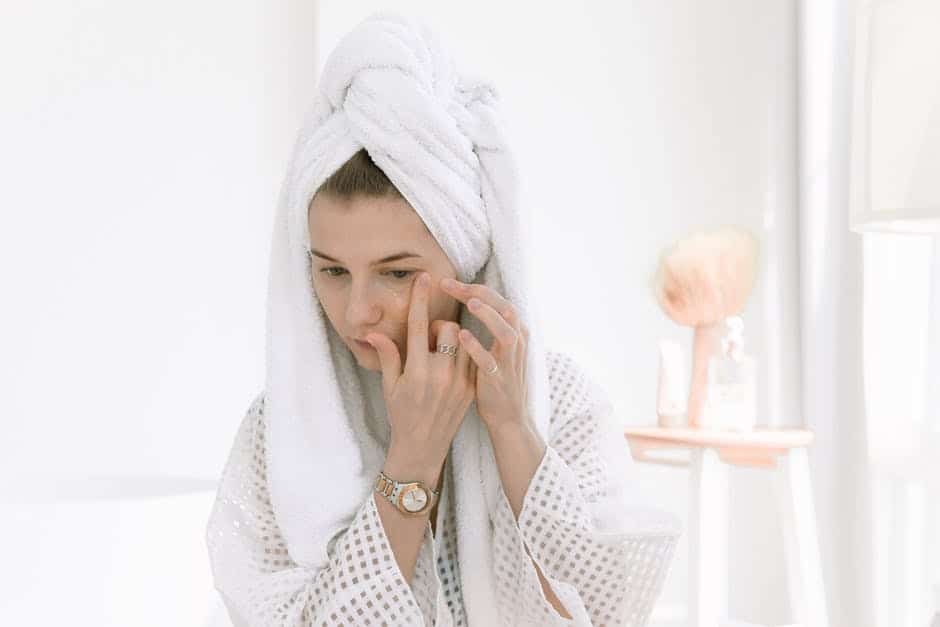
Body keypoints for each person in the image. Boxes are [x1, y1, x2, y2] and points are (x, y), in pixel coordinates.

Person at [205, 11, 680, 627]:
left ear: (466, 261)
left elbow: (612, 610)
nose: (357, 311)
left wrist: (512, 430)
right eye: (331, 271)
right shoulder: (281, 432)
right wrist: (412, 461)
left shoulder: (560, 402)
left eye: (397, 273)